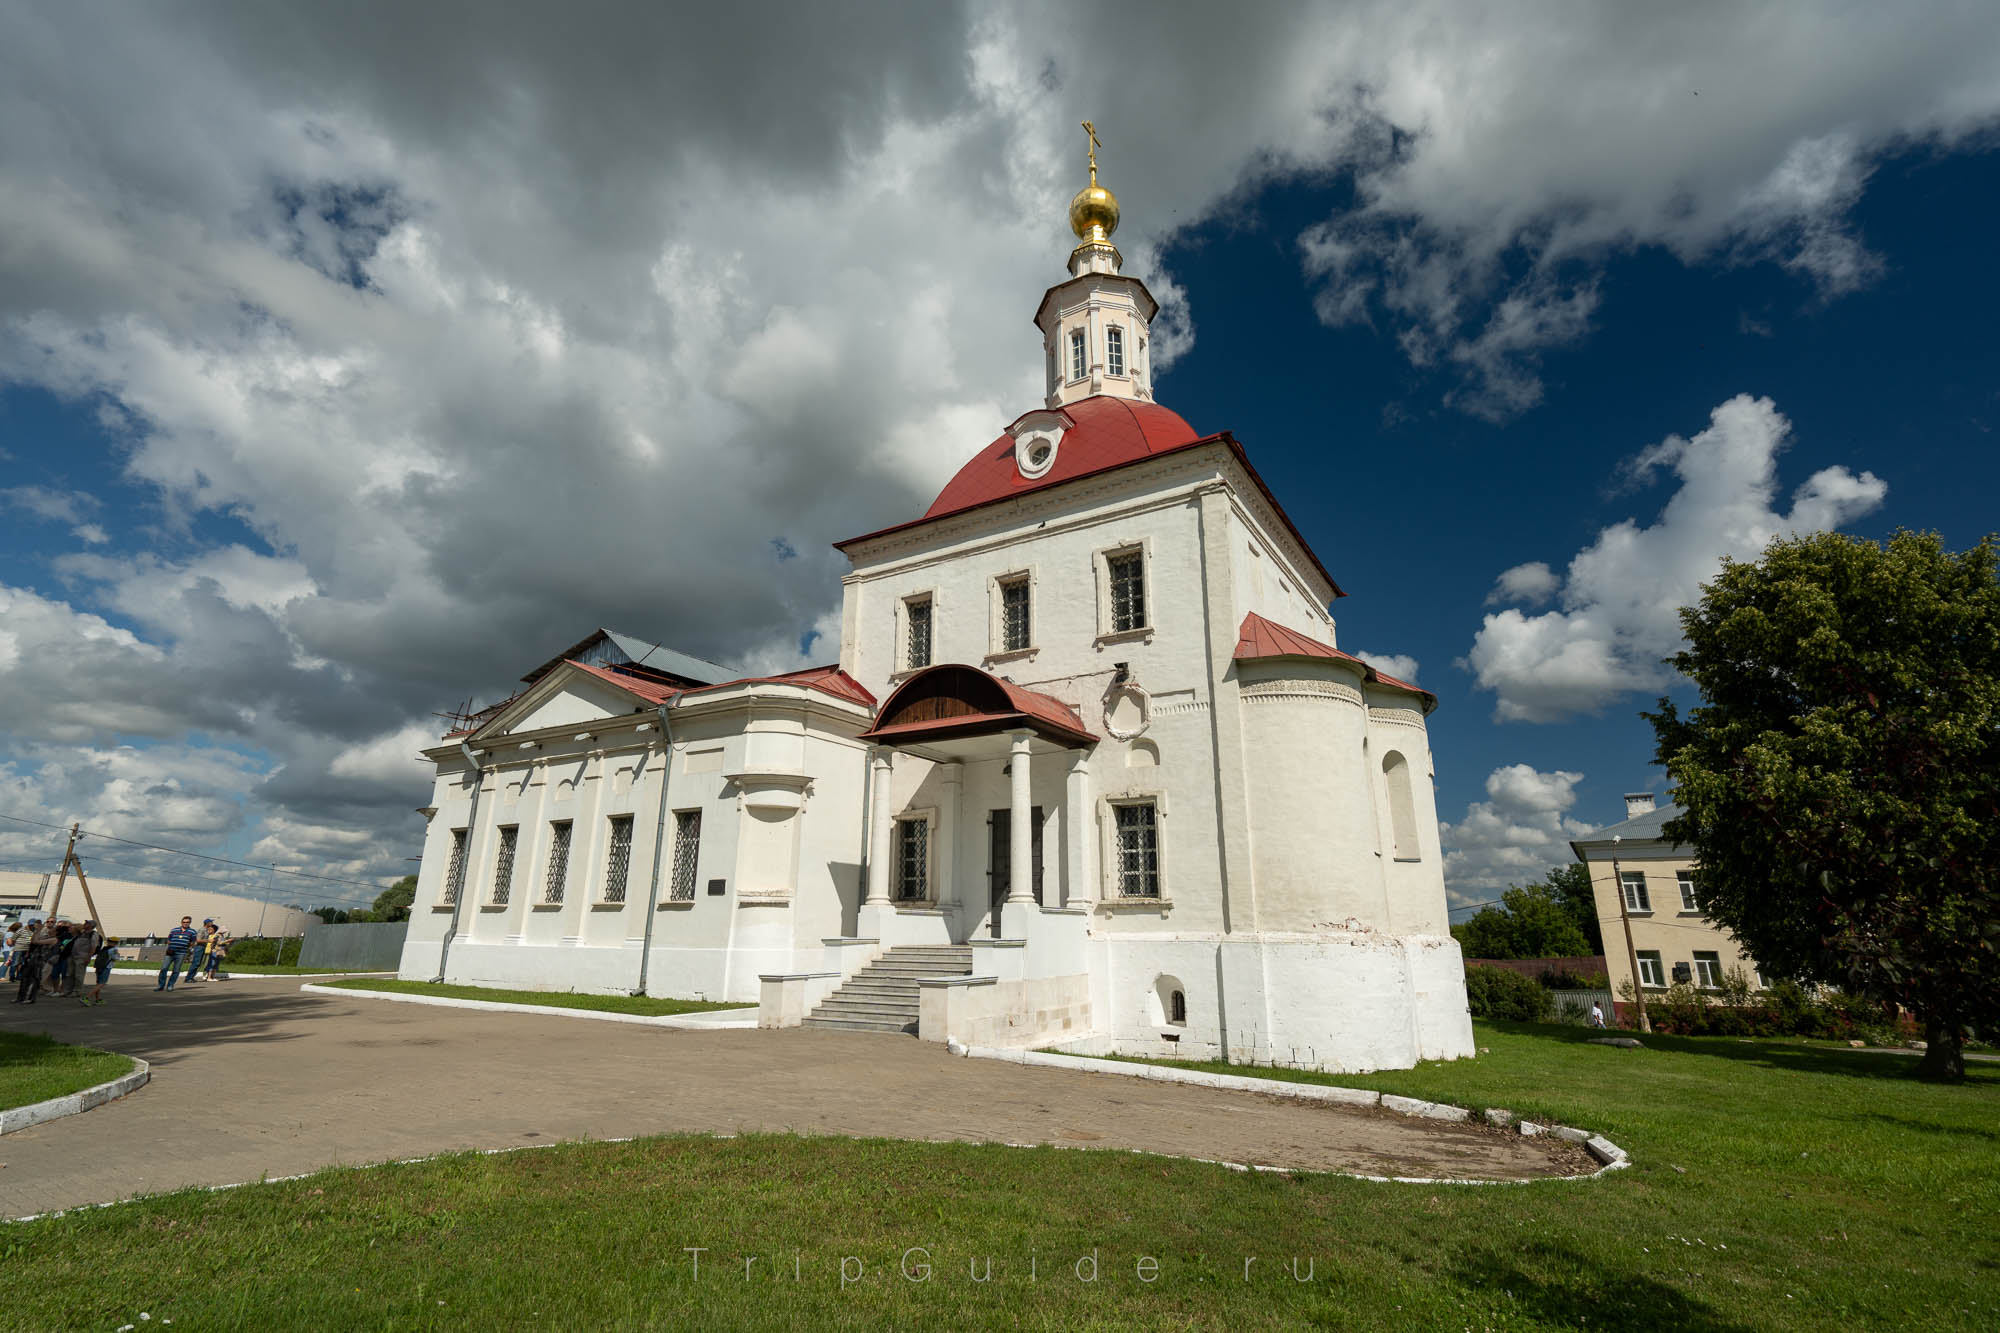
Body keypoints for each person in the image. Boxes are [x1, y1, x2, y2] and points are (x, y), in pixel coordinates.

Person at [13, 920, 53, 1004]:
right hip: (31, 958)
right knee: (24, 978)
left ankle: (31, 998)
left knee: (34, 979)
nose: (49, 923)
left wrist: (38, 931)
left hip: (40, 959)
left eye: (52, 922)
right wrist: (37, 931)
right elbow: (32, 943)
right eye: (48, 922)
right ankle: (21, 997)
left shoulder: (52, 937)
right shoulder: (39, 933)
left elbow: (35, 941)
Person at [158, 916, 197, 991]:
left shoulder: (192, 932)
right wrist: (172, 946)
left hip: (181, 953)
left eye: (187, 922)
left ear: (190, 923)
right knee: (164, 968)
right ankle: (161, 985)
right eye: (184, 922)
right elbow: (169, 939)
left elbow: (193, 942)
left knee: (176, 970)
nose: (185, 923)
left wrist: (186, 947)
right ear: (181, 922)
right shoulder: (174, 930)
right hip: (170, 952)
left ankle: (170, 985)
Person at [87, 935, 118, 1005]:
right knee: (101, 983)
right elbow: (115, 958)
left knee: (98, 983)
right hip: (106, 968)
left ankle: (97, 999)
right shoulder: (113, 950)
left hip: (98, 967)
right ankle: (87, 997)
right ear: (115, 943)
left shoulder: (104, 948)